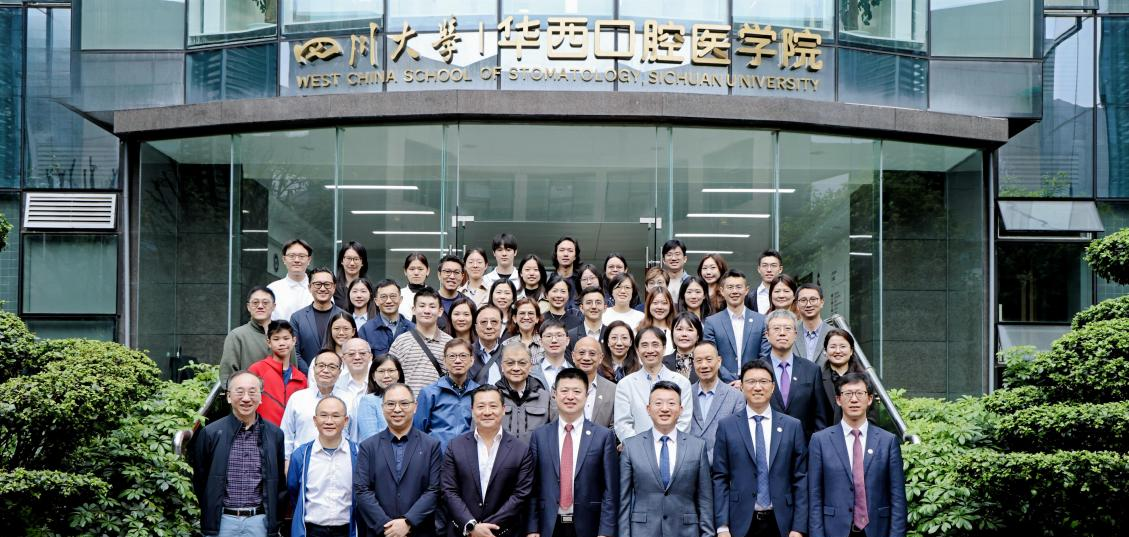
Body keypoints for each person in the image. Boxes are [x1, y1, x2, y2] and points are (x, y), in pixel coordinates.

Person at [712, 360, 808, 537]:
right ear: (741, 386)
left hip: (782, 523)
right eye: (751, 382)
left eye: (763, 381)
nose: (757, 387)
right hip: (740, 522)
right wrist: (722, 526)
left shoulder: (792, 426)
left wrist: (799, 527)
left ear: (773, 387)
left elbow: (800, 478)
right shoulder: (727, 426)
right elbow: (720, 478)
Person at [808, 373, 907, 537]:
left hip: (877, 530)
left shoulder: (888, 441)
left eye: (860, 393)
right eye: (848, 394)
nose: (854, 399)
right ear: (838, 400)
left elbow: (898, 498)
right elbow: (814, 496)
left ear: (869, 399)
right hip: (834, 530)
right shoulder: (820, 441)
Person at [526, 368, 619, 537]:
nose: (570, 397)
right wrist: (532, 528)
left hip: (589, 526)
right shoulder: (540, 436)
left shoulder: (603, 436)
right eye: (564, 391)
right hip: (549, 525)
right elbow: (532, 487)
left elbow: (610, 490)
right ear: (554, 394)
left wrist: (606, 531)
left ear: (587, 395)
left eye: (577, 391)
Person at [191, 371, 286, 537]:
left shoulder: (274, 434)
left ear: (261, 397)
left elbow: (278, 483)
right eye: (240, 392)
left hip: (259, 521)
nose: (246, 398)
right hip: (222, 521)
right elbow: (200, 480)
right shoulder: (210, 433)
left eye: (252, 392)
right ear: (229, 397)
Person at [617, 381, 714, 537]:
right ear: (648, 409)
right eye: (658, 403)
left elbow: (705, 499)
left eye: (671, 403)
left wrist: (707, 534)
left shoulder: (697, 447)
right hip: (642, 531)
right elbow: (624, 500)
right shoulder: (631, 446)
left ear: (681, 409)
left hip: (686, 532)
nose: (664, 408)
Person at [441, 384, 535, 537]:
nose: (487, 412)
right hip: (462, 532)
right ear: (472, 410)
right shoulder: (455, 446)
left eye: (493, 406)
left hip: (504, 532)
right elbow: (448, 490)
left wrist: (487, 529)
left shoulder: (521, 450)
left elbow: (520, 495)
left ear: (503, 409)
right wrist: (471, 525)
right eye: (480, 406)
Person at [354, 383, 442, 537]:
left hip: (419, 531)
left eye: (404, 403)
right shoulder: (368, 447)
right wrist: (387, 527)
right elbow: (362, 490)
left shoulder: (431, 445)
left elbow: (434, 489)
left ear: (415, 407)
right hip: (380, 532)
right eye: (390, 404)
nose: (397, 409)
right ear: (382, 408)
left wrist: (408, 522)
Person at [287, 395, 357, 537]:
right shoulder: (301, 455)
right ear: (315, 420)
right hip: (311, 530)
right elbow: (293, 491)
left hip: (347, 530)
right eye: (323, 415)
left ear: (346, 421)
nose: (329, 421)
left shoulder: (358, 453)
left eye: (336, 416)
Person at [613, 328, 693, 441]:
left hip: (674, 448)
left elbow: (684, 422)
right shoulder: (625, 384)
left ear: (664, 348)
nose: (650, 350)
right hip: (637, 449)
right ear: (637, 350)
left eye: (655, 345)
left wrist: (665, 445)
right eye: (644, 345)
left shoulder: (681, 382)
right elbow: (622, 424)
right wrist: (640, 447)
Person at [764, 310, 831, 441]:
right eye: (776, 329)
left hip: (803, 447)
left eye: (788, 328)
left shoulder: (811, 370)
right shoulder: (756, 369)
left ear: (795, 334)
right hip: (766, 445)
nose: (782, 333)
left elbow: (820, 417)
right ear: (767, 335)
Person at [282, 350, 353, 462]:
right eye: (321, 365)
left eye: (332, 367)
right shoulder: (297, 398)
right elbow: (286, 434)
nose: (325, 370)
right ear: (314, 368)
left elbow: (354, 435)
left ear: (339, 372)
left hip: (340, 462)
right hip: (303, 461)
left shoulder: (350, 399)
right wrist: (286, 461)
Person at [220, 286, 298, 385]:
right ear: (248, 307)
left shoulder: (285, 334)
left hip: (282, 393)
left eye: (265, 302)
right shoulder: (237, 336)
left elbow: (294, 370)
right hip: (249, 393)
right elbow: (227, 375)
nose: (260, 306)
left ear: (274, 306)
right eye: (255, 303)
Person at [702, 270, 769, 383]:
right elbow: (710, 355)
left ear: (746, 290)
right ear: (722, 291)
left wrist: (746, 379)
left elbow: (765, 355)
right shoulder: (712, 322)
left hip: (754, 383)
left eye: (738, 287)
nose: (734, 291)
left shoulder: (761, 320)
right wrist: (730, 380)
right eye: (730, 287)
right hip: (722, 383)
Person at [413, 338, 481, 452]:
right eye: (452, 356)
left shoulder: (478, 393)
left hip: (469, 456)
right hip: (437, 457)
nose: (457, 360)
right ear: (444, 361)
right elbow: (418, 432)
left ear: (472, 360)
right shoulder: (429, 393)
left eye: (463, 356)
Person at [387, 287, 453, 394]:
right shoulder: (401, 342)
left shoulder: (450, 343)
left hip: (439, 402)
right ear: (413, 310)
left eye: (432, 306)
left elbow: (454, 378)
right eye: (422, 306)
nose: (426, 311)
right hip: (407, 402)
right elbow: (390, 376)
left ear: (440, 311)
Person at [687, 342, 743, 463]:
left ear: (719, 361)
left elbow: (736, 437)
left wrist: (705, 461)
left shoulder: (736, 397)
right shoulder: (685, 394)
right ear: (693, 363)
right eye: (699, 361)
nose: (704, 365)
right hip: (688, 464)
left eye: (709, 360)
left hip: (722, 466)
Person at [248, 320, 308, 426]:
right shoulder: (256, 370)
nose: (282, 343)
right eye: (276, 339)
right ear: (269, 342)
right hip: (262, 431)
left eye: (286, 338)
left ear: (294, 341)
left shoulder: (301, 378)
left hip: (291, 433)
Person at [496, 341, 556, 443]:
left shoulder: (545, 398)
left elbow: (555, 435)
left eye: (522, 363)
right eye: (510, 363)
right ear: (502, 366)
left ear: (531, 366)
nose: (516, 368)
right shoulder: (493, 397)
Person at [291, 267, 346, 373]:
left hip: (338, 377)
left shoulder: (345, 317)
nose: (322, 288)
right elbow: (294, 352)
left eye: (327, 284)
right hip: (306, 377)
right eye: (317, 284)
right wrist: (311, 374)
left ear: (334, 287)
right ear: (309, 287)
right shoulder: (297, 318)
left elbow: (350, 350)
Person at [819, 329, 872, 425]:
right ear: (825, 351)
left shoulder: (864, 379)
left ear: (851, 351)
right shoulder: (817, 378)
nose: (838, 351)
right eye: (833, 347)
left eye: (843, 346)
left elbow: (871, 416)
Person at [353, 355, 405, 442]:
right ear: (373, 376)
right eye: (381, 371)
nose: (386, 375)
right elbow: (370, 439)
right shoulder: (368, 401)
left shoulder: (409, 399)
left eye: (391, 371)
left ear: (399, 374)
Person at [358, 279, 415, 357]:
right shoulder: (366, 330)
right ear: (376, 301)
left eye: (393, 296)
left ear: (400, 299)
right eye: (383, 297)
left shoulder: (413, 329)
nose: (388, 301)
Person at [571, 336, 616, 428]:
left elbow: (616, 425)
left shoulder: (613, 389)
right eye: (581, 353)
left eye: (592, 353)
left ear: (600, 358)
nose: (586, 358)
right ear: (573, 356)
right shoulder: (560, 387)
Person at [270, 238, 314, 321]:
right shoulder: (272, 289)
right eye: (291, 256)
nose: (297, 260)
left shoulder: (320, 289)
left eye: (301, 256)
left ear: (309, 260)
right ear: (284, 259)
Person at [566, 286, 606, 361]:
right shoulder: (571, 336)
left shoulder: (611, 334)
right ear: (581, 308)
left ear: (605, 307)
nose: (594, 306)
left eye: (598, 303)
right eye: (589, 303)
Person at [502, 298, 546, 367]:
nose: (526, 317)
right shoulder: (506, 345)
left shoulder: (546, 343)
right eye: (522, 313)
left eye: (530, 313)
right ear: (515, 318)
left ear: (537, 318)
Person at [794, 284, 831, 363]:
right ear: (797, 305)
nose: (808, 305)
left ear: (822, 302)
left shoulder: (834, 333)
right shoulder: (790, 333)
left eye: (813, 299)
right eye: (803, 300)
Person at [469, 305, 505, 385]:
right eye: (484, 322)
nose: (489, 326)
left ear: (501, 325)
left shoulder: (509, 354)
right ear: (476, 327)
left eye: (494, 322)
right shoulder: (466, 354)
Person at [336, 338, 373, 412]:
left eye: (362, 353)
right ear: (343, 358)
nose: (357, 357)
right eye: (351, 354)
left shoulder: (380, 381)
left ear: (370, 356)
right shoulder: (336, 383)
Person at [662, 312, 702, 381]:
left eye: (690, 330)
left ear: (698, 336)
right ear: (672, 334)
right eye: (679, 329)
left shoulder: (707, 362)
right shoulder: (661, 362)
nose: (684, 334)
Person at [637, 287, 675, 355]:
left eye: (664, 303)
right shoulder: (638, 329)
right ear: (648, 305)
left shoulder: (676, 330)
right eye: (655, 303)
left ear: (670, 306)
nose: (659, 307)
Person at [334, 241, 369, 310]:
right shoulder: (333, 288)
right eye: (348, 258)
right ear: (341, 261)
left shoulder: (369, 289)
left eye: (356, 259)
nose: (352, 263)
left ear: (362, 262)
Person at [400, 253, 431, 319]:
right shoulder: (398, 295)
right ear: (405, 271)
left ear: (428, 271)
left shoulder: (434, 295)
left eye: (420, 269)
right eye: (412, 269)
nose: (416, 273)